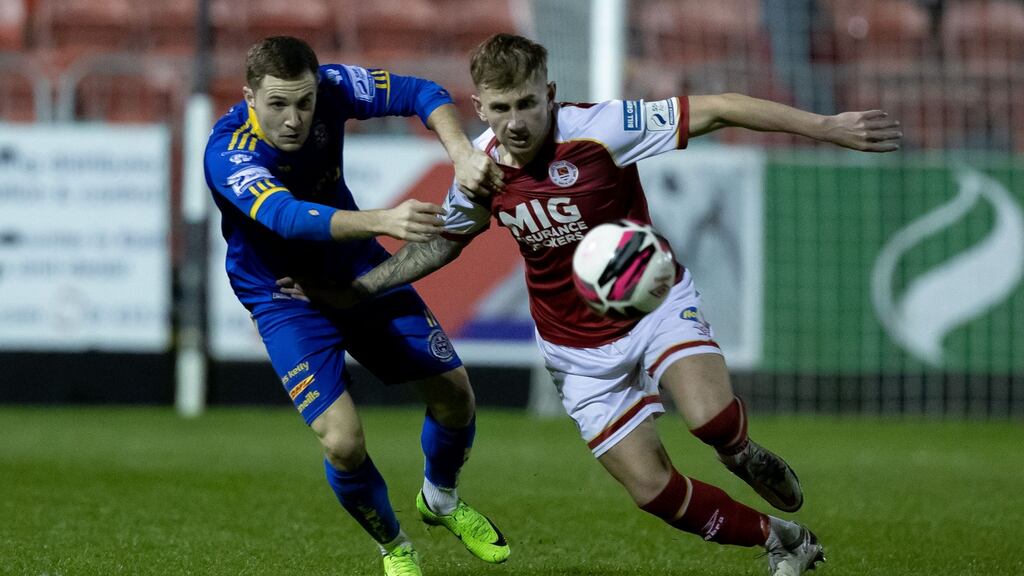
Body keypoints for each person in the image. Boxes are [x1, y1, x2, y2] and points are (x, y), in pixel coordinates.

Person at [281, 33, 902, 576]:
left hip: (651, 304)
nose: (517, 120)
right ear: (481, 108)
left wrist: (827, 127)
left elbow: (721, 109)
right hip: (575, 351)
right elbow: (442, 246)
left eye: (528, 103)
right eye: (502, 109)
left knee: (709, 420)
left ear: (549, 93)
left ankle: (738, 450)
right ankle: (784, 540)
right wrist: (357, 291)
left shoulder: (601, 128)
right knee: (652, 491)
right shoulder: (482, 169)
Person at [203, 36, 510, 576]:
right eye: (277, 104)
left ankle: (440, 498)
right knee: (343, 442)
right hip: (284, 293)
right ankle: (395, 546)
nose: (294, 119)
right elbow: (286, 217)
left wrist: (462, 153)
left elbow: (421, 91)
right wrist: (382, 220)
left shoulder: (335, 87)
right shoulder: (227, 153)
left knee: (455, 398)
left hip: (354, 267)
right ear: (250, 96)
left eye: (305, 102)